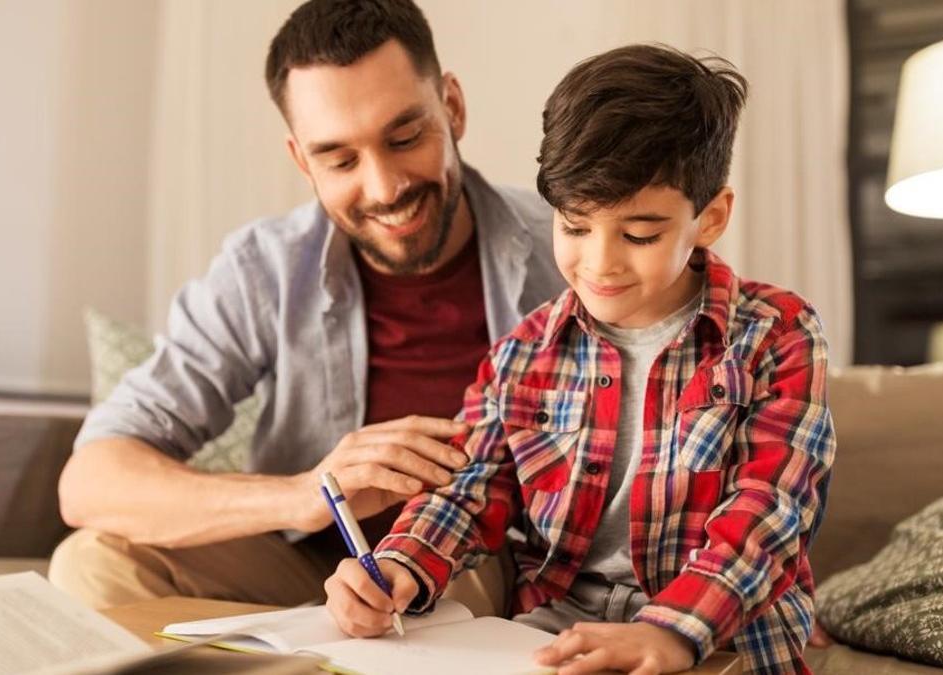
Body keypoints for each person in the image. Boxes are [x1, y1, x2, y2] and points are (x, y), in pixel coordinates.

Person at [323, 43, 837, 675]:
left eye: (640, 234)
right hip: (553, 637)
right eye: (574, 226)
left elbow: (771, 513)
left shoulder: (776, 334)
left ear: (710, 218)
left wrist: (671, 633)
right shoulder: (522, 354)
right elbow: (468, 492)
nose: (599, 263)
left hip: (722, 640)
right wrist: (400, 565)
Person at [48, 0, 564, 612]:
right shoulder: (264, 270)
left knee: (466, 585)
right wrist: (305, 495)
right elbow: (90, 482)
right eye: (340, 159)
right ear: (301, 160)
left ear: (451, 107)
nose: (384, 187)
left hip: (476, 565)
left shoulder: (573, 250)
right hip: (308, 570)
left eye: (405, 137)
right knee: (93, 563)